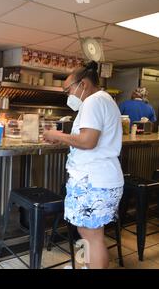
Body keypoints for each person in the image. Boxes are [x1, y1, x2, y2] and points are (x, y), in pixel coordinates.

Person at [43, 61, 124, 269]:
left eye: (69, 89)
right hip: (102, 178)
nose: (68, 94)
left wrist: (57, 135)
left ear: (84, 84)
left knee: (92, 236)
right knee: (89, 232)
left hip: (93, 180)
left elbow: (88, 141)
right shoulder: (106, 99)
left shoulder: (93, 102)